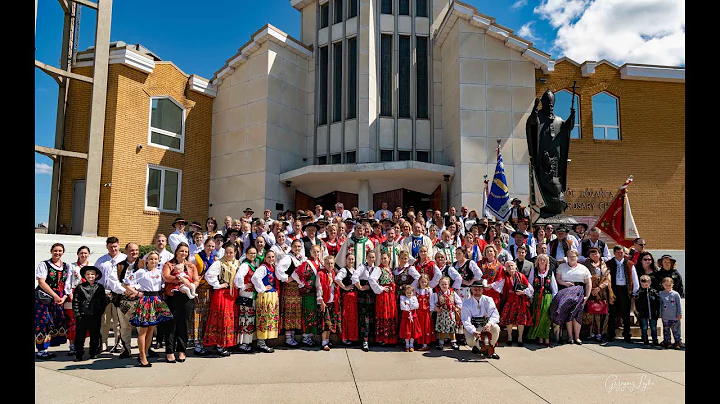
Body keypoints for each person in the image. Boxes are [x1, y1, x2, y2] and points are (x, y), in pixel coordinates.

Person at [124, 251, 173, 367]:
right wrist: (136, 292)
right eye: (151, 259)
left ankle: (145, 352)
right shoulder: (141, 272)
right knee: (143, 329)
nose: (153, 261)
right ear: (146, 260)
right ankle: (142, 356)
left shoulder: (159, 272)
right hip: (146, 300)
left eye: (156, 259)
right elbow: (126, 283)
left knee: (151, 328)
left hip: (156, 299)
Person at [160, 242, 199, 362]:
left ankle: (182, 350)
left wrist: (192, 285)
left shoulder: (191, 266)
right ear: (176, 251)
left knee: (184, 324)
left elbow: (196, 279)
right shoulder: (169, 264)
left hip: (187, 298)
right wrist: (179, 279)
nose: (184, 253)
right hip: (173, 296)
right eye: (181, 251)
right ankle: (170, 351)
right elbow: (166, 277)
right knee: (171, 324)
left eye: (186, 251)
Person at [203, 241, 240, 357]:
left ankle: (228, 343)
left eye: (231, 252)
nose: (229, 255)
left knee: (231, 318)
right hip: (222, 294)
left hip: (232, 294)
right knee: (222, 318)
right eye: (227, 252)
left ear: (235, 253)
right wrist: (218, 285)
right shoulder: (219, 263)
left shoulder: (237, 263)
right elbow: (208, 275)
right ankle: (219, 344)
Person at [35, 243, 70, 360]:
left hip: (59, 299)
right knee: (43, 322)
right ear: (51, 251)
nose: (57, 253)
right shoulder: (44, 264)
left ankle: (46, 349)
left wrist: (64, 297)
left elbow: (67, 284)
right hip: (44, 299)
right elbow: (41, 282)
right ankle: (41, 350)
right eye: (55, 250)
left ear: (63, 252)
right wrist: (54, 295)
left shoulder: (66, 266)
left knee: (55, 322)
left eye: (60, 251)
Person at [550, 250, 592, 345]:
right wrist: (565, 283)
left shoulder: (583, 268)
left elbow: (588, 282)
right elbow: (558, 279)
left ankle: (577, 337)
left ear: (577, 257)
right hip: (565, 292)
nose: (572, 258)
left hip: (579, 293)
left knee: (577, 314)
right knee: (569, 314)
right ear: (567, 257)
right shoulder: (561, 266)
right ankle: (570, 337)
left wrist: (587, 296)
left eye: (574, 256)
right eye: (570, 256)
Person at [94, 236, 127, 353]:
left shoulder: (125, 259)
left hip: (120, 294)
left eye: (115, 246)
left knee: (118, 321)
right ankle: (103, 343)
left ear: (119, 245)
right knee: (105, 320)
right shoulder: (101, 260)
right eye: (110, 247)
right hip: (105, 294)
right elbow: (95, 277)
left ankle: (118, 343)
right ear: (107, 247)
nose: (113, 249)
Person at [115, 243, 144, 359]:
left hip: (139, 300)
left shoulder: (143, 264)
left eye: (136, 250)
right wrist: (126, 290)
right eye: (132, 250)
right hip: (124, 301)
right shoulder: (119, 266)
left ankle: (143, 350)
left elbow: (147, 279)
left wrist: (135, 291)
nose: (134, 252)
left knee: (141, 326)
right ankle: (126, 350)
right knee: (124, 325)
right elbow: (115, 281)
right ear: (126, 251)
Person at [72, 266, 107, 362]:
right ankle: (78, 354)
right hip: (82, 315)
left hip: (95, 315)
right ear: (84, 276)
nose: (90, 276)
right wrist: (77, 314)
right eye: (88, 274)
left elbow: (103, 301)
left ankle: (93, 352)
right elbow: (75, 301)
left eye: (92, 274)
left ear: (96, 276)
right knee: (80, 336)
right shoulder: (80, 287)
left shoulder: (99, 287)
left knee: (95, 335)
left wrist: (100, 312)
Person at [495, 261, 533, 347]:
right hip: (510, 301)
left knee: (521, 320)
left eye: (512, 265)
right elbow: (498, 286)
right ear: (506, 269)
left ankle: (520, 338)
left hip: (520, 301)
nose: (510, 267)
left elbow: (530, 288)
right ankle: (509, 337)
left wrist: (523, 292)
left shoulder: (521, 276)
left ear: (515, 267)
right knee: (509, 320)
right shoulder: (505, 277)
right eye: (508, 266)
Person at [606, 245, 640, 342]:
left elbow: (634, 277)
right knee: (612, 313)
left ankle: (627, 335)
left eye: (622, 252)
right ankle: (611, 334)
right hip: (614, 290)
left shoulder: (629, 264)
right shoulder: (609, 263)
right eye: (618, 253)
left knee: (626, 314)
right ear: (614, 253)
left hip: (625, 290)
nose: (620, 254)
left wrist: (634, 291)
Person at [275, 239, 305, 347]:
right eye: (295, 246)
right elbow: (278, 269)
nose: (297, 248)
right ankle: (288, 337)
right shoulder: (288, 258)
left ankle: (292, 336)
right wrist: (286, 278)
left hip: (297, 289)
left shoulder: (300, 258)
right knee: (289, 310)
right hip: (289, 288)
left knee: (294, 311)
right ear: (291, 247)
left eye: (299, 247)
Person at [461, 279, 501, 359]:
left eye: (479, 289)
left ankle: (491, 349)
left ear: (482, 290)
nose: (477, 291)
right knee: (470, 342)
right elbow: (466, 320)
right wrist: (473, 331)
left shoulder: (489, 300)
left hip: (486, 326)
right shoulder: (466, 303)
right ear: (471, 289)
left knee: (496, 328)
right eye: (475, 289)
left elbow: (495, 315)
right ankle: (477, 346)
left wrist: (489, 324)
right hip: (474, 326)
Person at [65, 246, 93, 357]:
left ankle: (80, 345)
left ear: (89, 254)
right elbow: (68, 282)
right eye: (81, 253)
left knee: (84, 322)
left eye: (85, 253)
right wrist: (70, 295)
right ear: (77, 254)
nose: (83, 255)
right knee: (72, 322)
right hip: (74, 294)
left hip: (87, 297)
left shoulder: (91, 267)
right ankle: (72, 346)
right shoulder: (71, 266)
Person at [251, 249, 280, 353]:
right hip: (265, 296)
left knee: (268, 319)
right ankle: (261, 342)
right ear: (265, 258)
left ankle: (263, 342)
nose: (271, 259)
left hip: (271, 296)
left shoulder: (272, 267)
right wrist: (262, 288)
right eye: (269, 257)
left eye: (272, 257)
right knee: (263, 318)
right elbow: (255, 278)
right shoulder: (263, 268)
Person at [526, 254, 558, 346]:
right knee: (538, 316)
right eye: (540, 260)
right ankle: (540, 337)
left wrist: (554, 298)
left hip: (547, 296)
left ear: (547, 262)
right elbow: (530, 283)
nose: (542, 261)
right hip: (537, 296)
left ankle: (546, 336)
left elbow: (553, 286)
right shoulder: (534, 270)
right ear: (538, 261)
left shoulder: (550, 272)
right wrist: (531, 296)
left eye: (544, 260)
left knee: (546, 316)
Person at [584, 247, 614, 343]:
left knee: (602, 313)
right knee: (590, 313)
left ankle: (600, 333)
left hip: (602, 293)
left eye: (596, 253)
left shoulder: (605, 265)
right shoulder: (586, 265)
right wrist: (592, 289)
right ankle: (591, 332)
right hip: (590, 291)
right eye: (592, 254)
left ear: (600, 254)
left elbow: (608, 279)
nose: (594, 255)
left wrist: (599, 288)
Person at [294, 244, 322, 347]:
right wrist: (302, 283)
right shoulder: (307, 263)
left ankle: (311, 336)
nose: (316, 253)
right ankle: (306, 337)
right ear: (310, 252)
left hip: (317, 293)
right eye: (314, 251)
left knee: (315, 314)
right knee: (308, 313)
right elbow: (295, 274)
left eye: (318, 252)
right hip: (308, 293)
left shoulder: (320, 263)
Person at [369, 251, 398, 346]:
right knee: (383, 314)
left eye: (385, 258)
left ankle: (390, 337)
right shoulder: (378, 269)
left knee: (390, 314)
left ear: (389, 259)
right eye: (382, 258)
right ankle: (382, 338)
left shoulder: (390, 269)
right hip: (383, 296)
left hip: (390, 296)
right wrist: (381, 288)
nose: (383, 260)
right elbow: (372, 279)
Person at [234, 246, 258, 353]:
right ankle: (243, 343)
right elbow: (238, 277)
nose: (253, 255)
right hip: (246, 294)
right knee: (245, 318)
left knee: (250, 318)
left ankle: (247, 342)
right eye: (250, 253)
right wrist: (243, 286)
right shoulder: (244, 265)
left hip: (251, 293)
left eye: (254, 253)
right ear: (246, 254)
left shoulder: (253, 264)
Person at [352, 250, 378, 351]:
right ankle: (365, 341)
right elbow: (355, 277)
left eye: (373, 257)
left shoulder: (376, 268)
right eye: (370, 257)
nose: (371, 259)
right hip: (365, 295)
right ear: (366, 258)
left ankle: (372, 339)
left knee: (372, 316)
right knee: (365, 317)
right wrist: (360, 287)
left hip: (373, 294)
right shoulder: (362, 266)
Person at [316, 255, 340, 351]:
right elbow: (319, 287)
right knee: (325, 323)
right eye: (328, 263)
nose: (330, 265)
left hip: (332, 300)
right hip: (324, 301)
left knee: (331, 323)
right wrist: (321, 300)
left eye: (331, 263)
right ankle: (323, 342)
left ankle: (327, 340)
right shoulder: (320, 274)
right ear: (324, 264)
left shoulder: (334, 273)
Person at [335, 253, 358, 345]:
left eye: (352, 259)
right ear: (346, 260)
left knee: (352, 317)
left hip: (354, 296)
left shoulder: (354, 270)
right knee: (347, 316)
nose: (351, 261)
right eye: (349, 259)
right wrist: (345, 287)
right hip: (348, 297)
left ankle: (351, 336)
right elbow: (337, 279)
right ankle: (345, 337)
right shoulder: (344, 270)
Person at [635, 275, 661, 346]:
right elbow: (637, 303)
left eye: (646, 285)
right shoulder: (639, 293)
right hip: (643, 314)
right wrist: (638, 311)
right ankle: (645, 339)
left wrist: (658, 312)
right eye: (642, 285)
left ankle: (655, 340)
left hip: (653, 314)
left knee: (653, 327)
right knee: (644, 327)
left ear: (650, 283)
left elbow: (658, 303)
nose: (644, 286)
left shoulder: (654, 292)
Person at [659, 277, 683, 349]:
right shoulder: (661, 294)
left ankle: (677, 342)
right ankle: (667, 342)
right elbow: (660, 304)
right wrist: (660, 313)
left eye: (669, 285)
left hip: (674, 316)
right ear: (663, 284)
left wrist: (680, 313)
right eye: (666, 285)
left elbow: (679, 305)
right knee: (666, 330)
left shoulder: (675, 294)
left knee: (676, 330)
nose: (668, 286)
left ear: (672, 285)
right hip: (665, 316)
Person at [398, 285, 422, 352]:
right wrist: (408, 307)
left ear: (412, 292)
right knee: (406, 332)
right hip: (406, 318)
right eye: (407, 292)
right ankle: (407, 345)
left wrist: (410, 305)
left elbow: (416, 306)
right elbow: (402, 307)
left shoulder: (414, 298)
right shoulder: (403, 298)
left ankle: (411, 345)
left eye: (410, 292)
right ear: (405, 292)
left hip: (413, 318)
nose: (409, 294)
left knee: (412, 332)